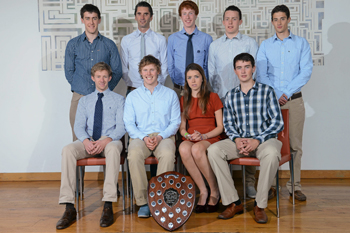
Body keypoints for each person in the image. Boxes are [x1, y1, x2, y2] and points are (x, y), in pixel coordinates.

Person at [207, 53, 284, 223]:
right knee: (213, 150)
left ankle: (259, 205)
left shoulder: (267, 91)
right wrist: (236, 139)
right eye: (239, 67)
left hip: (263, 141)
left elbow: (278, 122)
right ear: (235, 71)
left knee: (272, 154)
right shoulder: (231, 95)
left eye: (247, 66)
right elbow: (228, 124)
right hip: (240, 141)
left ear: (253, 69)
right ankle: (234, 202)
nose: (243, 71)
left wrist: (257, 139)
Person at [56, 62, 125, 229]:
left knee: (115, 149)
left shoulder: (119, 99)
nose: (102, 80)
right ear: (93, 78)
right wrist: (86, 141)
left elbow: (122, 126)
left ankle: (108, 204)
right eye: (98, 76)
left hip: (108, 140)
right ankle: (69, 206)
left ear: (110, 78)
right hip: (88, 141)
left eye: (105, 76)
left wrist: (105, 140)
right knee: (67, 150)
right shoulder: (85, 101)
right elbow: (78, 126)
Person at [256, 4, 313, 201]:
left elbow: (305, 71)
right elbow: (262, 74)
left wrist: (286, 93)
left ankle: (295, 186)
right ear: (272, 22)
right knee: (270, 143)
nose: (279, 23)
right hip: (270, 103)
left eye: (282, 18)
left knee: (295, 144)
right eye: (275, 19)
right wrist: (276, 93)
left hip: (294, 101)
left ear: (288, 19)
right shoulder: (265, 46)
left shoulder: (301, 43)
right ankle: (270, 186)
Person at [208, 5, 259, 199]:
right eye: (227, 19)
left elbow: (256, 70)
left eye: (234, 18)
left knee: (249, 136)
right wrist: (215, 100)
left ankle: (249, 184)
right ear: (223, 22)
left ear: (240, 21)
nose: (230, 22)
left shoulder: (249, 43)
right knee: (224, 141)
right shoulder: (215, 46)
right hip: (222, 100)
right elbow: (211, 73)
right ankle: (226, 185)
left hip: (246, 99)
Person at [123, 55, 181, 218]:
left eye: (152, 70)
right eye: (145, 70)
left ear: (158, 71)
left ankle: (159, 199)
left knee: (169, 155)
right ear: (141, 73)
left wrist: (161, 136)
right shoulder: (133, 96)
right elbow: (129, 123)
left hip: (165, 136)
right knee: (133, 155)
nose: (149, 73)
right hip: (140, 137)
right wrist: (143, 137)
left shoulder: (170, 94)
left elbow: (175, 122)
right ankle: (143, 202)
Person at [65, 4, 122, 141]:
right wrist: (80, 87)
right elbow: (69, 71)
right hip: (79, 97)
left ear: (99, 20)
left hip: (104, 97)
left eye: (94, 18)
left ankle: (106, 164)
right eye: (88, 18)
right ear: (82, 20)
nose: (91, 22)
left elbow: (117, 71)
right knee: (78, 139)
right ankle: (80, 164)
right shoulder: (73, 44)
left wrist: (103, 89)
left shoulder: (109, 45)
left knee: (105, 138)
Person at [178, 63, 225, 213]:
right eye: (189, 78)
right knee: (183, 148)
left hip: (210, 136)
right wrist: (188, 136)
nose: (193, 81)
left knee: (197, 150)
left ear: (202, 79)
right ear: (186, 82)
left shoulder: (213, 97)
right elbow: (182, 128)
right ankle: (203, 190)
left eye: (196, 77)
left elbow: (220, 127)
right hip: (192, 136)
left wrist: (203, 136)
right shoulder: (184, 100)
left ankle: (214, 191)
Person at [121, 1, 168, 95]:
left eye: (146, 14)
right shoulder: (126, 40)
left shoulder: (160, 40)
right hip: (133, 88)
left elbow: (164, 67)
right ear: (135, 17)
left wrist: (158, 84)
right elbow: (123, 67)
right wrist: (131, 83)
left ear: (151, 17)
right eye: (139, 14)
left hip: (155, 88)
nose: (142, 17)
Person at [168, 0, 213, 98]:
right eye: (184, 13)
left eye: (191, 13)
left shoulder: (207, 39)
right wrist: (178, 82)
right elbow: (170, 65)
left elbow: (208, 65)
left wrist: (202, 83)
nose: (187, 17)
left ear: (196, 15)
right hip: (179, 89)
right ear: (180, 17)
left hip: (200, 90)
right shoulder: (173, 39)